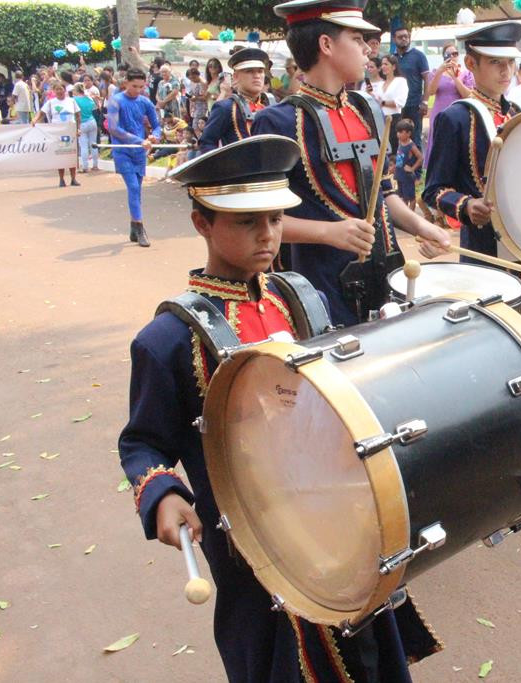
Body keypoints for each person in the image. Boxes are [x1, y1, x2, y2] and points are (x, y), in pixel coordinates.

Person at [118, 133, 441, 681]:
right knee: (273, 654)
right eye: (247, 222)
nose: (267, 236)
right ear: (202, 224)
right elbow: (143, 441)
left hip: (338, 510)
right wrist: (162, 495)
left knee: (364, 639)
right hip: (248, 540)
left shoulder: (299, 296)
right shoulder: (167, 339)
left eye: (273, 219)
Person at [253, 0, 450, 326]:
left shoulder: (367, 109)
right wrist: (328, 232)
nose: (368, 50)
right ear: (326, 44)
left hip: (386, 277)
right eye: (357, 40)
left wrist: (422, 226)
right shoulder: (279, 121)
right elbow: (258, 221)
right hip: (322, 290)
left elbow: (385, 195)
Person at [423, 21, 521, 357]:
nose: (507, 71)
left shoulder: (518, 113)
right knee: (494, 345)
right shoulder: (456, 118)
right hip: (485, 248)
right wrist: (466, 205)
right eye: (496, 63)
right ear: (472, 65)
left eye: (510, 63)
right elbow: (433, 190)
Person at [106, 68, 161, 247]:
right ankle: (140, 227)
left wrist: (154, 137)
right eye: (134, 86)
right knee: (133, 186)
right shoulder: (116, 101)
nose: (137, 90)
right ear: (126, 83)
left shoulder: (145, 102)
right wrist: (139, 140)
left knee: (137, 189)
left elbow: (157, 126)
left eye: (141, 87)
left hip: (139, 152)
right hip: (123, 150)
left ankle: (133, 226)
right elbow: (113, 128)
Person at [198, 47, 272, 154]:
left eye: (260, 71)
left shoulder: (272, 105)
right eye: (249, 71)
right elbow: (206, 143)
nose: (256, 76)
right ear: (236, 76)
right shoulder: (225, 108)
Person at [424, 43, 475, 166]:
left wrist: (455, 78)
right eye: (449, 54)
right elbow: (431, 92)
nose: (452, 56)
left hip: (459, 112)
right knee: (439, 141)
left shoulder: (466, 73)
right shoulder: (436, 72)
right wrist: (440, 72)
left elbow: (468, 94)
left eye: (455, 53)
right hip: (439, 112)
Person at [34, 81, 80, 187]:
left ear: (65, 90)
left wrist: (78, 129)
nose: (59, 91)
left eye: (61, 89)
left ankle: (73, 178)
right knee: (60, 155)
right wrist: (35, 120)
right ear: (54, 91)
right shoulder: (51, 102)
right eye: (57, 89)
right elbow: (42, 112)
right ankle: (61, 179)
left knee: (71, 155)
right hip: (58, 132)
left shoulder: (71, 101)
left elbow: (78, 115)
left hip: (70, 131)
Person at [392, 25, 429, 149]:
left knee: (414, 138)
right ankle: (399, 167)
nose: (403, 39)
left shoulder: (419, 56)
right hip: (396, 105)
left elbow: (427, 79)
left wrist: (425, 101)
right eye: (400, 37)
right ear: (394, 39)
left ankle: (417, 168)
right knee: (396, 138)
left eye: (406, 36)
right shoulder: (392, 58)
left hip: (414, 104)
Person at [393, 118, 422, 210]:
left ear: (409, 133)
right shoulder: (400, 142)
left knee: (411, 198)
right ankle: (405, 214)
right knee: (403, 197)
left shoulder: (411, 146)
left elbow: (420, 158)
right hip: (400, 174)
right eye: (398, 132)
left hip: (407, 176)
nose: (398, 134)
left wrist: (412, 168)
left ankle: (411, 215)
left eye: (401, 132)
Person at [72, 83, 99, 173]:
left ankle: (85, 166)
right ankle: (95, 165)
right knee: (93, 144)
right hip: (91, 120)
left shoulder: (74, 100)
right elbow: (94, 107)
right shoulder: (89, 98)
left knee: (83, 146)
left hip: (81, 123)